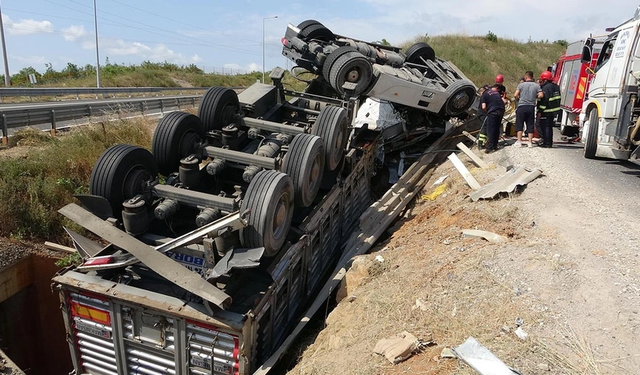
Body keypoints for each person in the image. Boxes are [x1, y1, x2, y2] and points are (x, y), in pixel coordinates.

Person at [513, 71, 543, 147]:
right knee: (530, 124)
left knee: (520, 124)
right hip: (531, 107)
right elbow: (541, 95)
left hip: (522, 106)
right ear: (532, 77)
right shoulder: (536, 86)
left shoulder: (521, 85)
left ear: (526, 77)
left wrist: (519, 99)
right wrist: (534, 98)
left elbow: (515, 95)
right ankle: (530, 142)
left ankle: (519, 141)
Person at [537, 70, 561, 147]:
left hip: (546, 110)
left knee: (545, 127)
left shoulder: (545, 88)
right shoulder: (556, 87)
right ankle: (549, 143)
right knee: (550, 127)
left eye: (542, 80)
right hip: (554, 110)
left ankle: (546, 143)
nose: (542, 81)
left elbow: (544, 101)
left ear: (545, 80)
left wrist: (540, 111)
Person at [480, 84, 506, 153]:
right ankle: (495, 145)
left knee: (491, 129)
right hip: (501, 110)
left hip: (493, 112)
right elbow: (504, 102)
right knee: (496, 128)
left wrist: (487, 111)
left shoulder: (485, 94)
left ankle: (490, 147)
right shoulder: (497, 93)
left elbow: (483, 107)